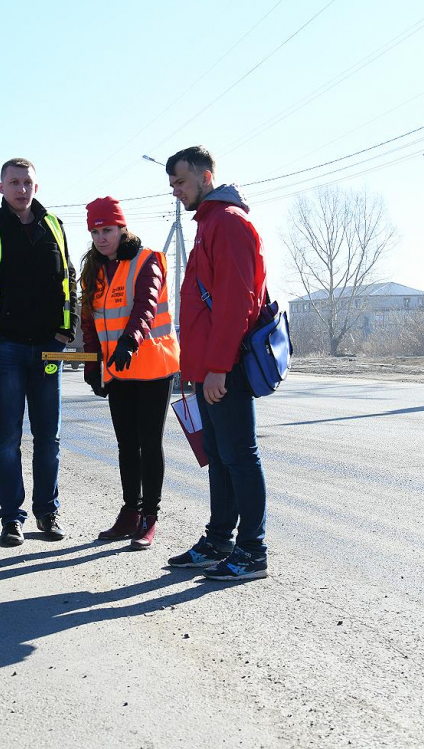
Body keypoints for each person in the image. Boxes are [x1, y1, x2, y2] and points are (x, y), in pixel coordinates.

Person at [162, 146, 270, 581]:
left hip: (227, 366)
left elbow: (234, 303)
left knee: (240, 456)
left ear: (207, 176)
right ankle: (219, 540)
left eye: (181, 182)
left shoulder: (229, 223)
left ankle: (252, 552)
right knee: (221, 456)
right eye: (171, 185)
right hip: (208, 366)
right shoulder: (209, 224)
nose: (176, 192)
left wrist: (219, 367)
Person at [0, 158, 77, 547]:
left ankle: (47, 512)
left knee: (49, 436)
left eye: (27, 182)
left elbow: (68, 279)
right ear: (1, 188)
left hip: (48, 348)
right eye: (14, 182)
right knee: (8, 436)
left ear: (36, 186)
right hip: (6, 349)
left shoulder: (54, 226)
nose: (21, 189)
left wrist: (67, 329)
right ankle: (11, 517)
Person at [80, 198, 180, 550]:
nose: (101, 237)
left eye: (107, 230)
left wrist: (129, 341)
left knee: (148, 443)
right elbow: (90, 321)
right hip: (118, 370)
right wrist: (93, 364)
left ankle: (150, 517)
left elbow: (146, 304)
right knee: (126, 445)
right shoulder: (94, 270)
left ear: (122, 228)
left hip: (152, 366)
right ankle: (129, 512)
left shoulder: (147, 259)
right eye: (95, 231)